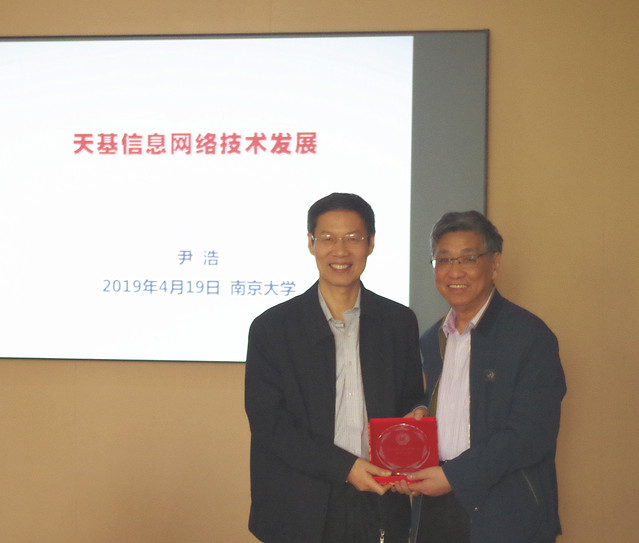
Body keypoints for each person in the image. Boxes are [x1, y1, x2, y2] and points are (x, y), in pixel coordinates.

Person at [244, 193, 424, 543]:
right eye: (327, 238)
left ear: (371, 243)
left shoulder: (398, 321)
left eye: (353, 238)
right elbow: (269, 423)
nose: (340, 251)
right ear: (311, 243)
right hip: (299, 502)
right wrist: (345, 467)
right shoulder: (273, 328)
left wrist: (416, 413)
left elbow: (409, 397)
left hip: (380, 497)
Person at [398, 211, 566, 543]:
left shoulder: (529, 336)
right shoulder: (432, 339)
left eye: (468, 258)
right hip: (435, 506)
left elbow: (532, 433)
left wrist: (455, 476)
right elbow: (443, 404)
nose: (455, 271)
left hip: (507, 513)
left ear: (495, 264)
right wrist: (420, 413)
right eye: (444, 260)